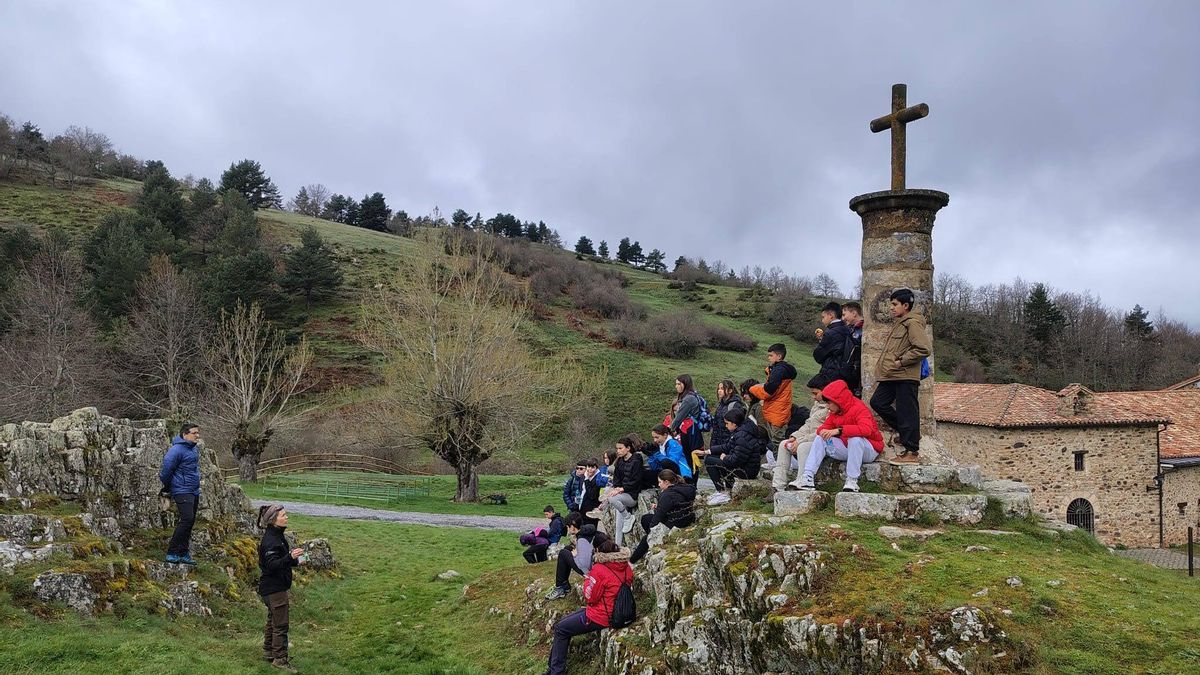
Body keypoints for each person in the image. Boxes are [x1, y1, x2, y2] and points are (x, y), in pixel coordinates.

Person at [545, 539, 633, 675]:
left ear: (599, 551)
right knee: (563, 623)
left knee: (561, 629)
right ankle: (552, 669)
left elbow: (590, 597)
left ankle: (556, 672)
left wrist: (588, 579)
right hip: (621, 611)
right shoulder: (626, 567)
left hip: (601, 617)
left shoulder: (599, 569)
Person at [869, 288, 931, 464]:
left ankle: (912, 453)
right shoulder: (901, 322)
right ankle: (908, 434)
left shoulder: (912, 323)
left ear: (906, 305)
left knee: (907, 412)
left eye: (895, 304)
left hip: (905, 375)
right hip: (892, 375)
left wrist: (901, 361)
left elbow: (923, 348)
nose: (891, 308)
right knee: (878, 402)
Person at [796, 379, 885, 493]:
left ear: (837, 400)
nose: (827, 407)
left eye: (829, 403)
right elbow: (822, 429)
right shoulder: (836, 412)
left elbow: (866, 430)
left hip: (869, 450)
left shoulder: (859, 408)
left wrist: (839, 431)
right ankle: (807, 477)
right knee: (821, 438)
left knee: (855, 439)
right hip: (848, 448)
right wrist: (824, 432)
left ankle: (852, 480)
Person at [257, 504, 305, 672]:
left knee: (273, 620)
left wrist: (295, 560)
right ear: (273, 520)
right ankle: (280, 660)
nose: (287, 517)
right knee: (281, 624)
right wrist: (290, 557)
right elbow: (271, 565)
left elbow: (280, 560)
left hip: (272, 588)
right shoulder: (271, 540)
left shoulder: (277, 536)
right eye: (283, 515)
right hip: (274, 589)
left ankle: (268, 651)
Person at [777, 374, 834, 491]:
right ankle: (778, 485)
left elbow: (824, 431)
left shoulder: (831, 408)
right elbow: (808, 424)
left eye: (815, 393)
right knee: (784, 444)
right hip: (808, 438)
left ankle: (802, 480)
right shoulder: (817, 406)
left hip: (822, 441)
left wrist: (801, 440)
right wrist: (795, 436)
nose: (813, 397)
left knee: (803, 447)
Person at [586, 437, 643, 546]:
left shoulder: (636, 460)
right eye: (617, 448)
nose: (618, 451)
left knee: (611, 498)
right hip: (622, 495)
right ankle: (617, 546)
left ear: (628, 448)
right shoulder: (620, 461)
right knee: (618, 524)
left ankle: (628, 517)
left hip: (631, 495)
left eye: (620, 448)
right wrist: (617, 488)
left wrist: (622, 489)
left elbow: (636, 480)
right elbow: (617, 479)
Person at [630, 470, 696, 564]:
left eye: (660, 482)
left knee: (647, 536)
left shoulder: (667, 495)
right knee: (646, 518)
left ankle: (632, 561)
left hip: (675, 523)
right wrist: (659, 506)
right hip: (685, 518)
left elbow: (658, 517)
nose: (659, 485)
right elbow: (677, 503)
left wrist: (652, 534)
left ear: (666, 482)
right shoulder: (684, 488)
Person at [704, 408, 767, 505]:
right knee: (710, 457)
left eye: (727, 423)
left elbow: (736, 460)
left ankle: (722, 492)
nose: (726, 426)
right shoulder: (741, 431)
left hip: (747, 471)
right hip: (744, 466)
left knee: (709, 461)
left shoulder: (742, 436)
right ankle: (725, 490)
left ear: (734, 423)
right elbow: (728, 446)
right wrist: (708, 451)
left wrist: (725, 458)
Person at [160, 423, 202, 566]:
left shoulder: (193, 450)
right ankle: (172, 552)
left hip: (193, 490)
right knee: (186, 519)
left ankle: (183, 552)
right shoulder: (176, 450)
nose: (197, 435)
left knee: (190, 521)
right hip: (181, 489)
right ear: (185, 434)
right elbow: (166, 471)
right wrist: (168, 486)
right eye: (194, 433)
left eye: (198, 433)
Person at [545, 511, 610, 600]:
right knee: (568, 548)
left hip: (593, 572)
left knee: (563, 553)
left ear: (572, 526)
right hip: (601, 566)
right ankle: (564, 585)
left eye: (568, 527)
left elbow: (584, 566)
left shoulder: (582, 538)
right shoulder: (589, 532)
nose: (567, 529)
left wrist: (575, 555)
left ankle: (560, 587)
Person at [749, 344, 797, 451]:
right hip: (776, 409)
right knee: (773, 438)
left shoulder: (778, 371)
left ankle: (783, 463)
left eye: (771, 355)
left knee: (777, 440)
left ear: (779, 356)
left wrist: (752, 388)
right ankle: (776, 462)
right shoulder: (779, 370)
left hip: (778, 410)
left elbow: (767, 391)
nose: (768, 358)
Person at [692, 379, 743, 476]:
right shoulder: (721, 404)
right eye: (718, 388)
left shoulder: (735, 405)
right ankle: (721, 489)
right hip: (717, 441)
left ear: (730, 390)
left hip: (728, 442)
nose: (719, 391)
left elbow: (736, 425)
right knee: (713, 463)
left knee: (724, 467)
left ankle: (726, 488)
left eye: (722, 389)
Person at [666, 374, 706, 478]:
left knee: (691, 458)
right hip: (687, 430)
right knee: (689, 457)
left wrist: (669, 430)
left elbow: (679, 417)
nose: (676, 386)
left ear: (685, 384)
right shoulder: (685, 397)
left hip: (691, 431)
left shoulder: (688, 399)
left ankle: (692, 482)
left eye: (679, 384)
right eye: (676, 384)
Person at [813, 302, 852, 384]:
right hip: (846, 373)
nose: (822, 320)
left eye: (823, 317)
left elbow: (818, 356)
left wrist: (821, 341)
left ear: (830, 315)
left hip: (832, 374)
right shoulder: (848, 329)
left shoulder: (831, 333)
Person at [841, 301, 865, 396]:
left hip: (856, 374)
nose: (843, 318)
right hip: (848, 371)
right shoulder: (850, 329)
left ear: (854, 313)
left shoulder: (864, 329)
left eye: (844, 314)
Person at [579, 458, 605, 527]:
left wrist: (587, 481)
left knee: (590, 530)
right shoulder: (583, 476)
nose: (590, 469)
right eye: (588, 467)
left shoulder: (598, 479)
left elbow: (592, 495)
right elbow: (580, 490)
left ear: (596, 468)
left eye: (592, 467)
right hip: (581, 508)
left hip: (591, 510)